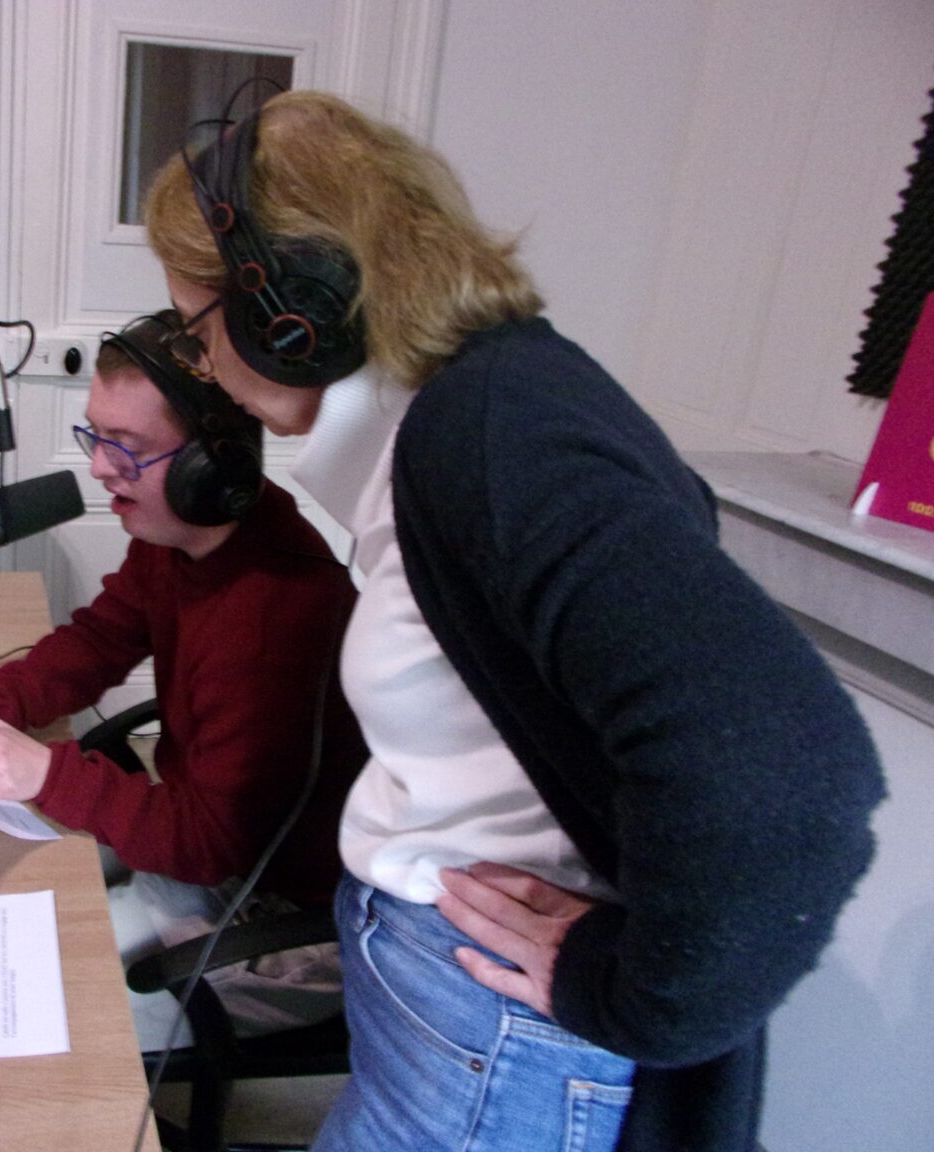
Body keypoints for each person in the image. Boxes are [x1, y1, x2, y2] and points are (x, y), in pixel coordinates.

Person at [144, 89, 885, 1152]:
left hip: (489, 1036)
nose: (204, 366)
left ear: (290, 308)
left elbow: (790, 772)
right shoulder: (463, 416)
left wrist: (637, 994)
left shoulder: (492, 434)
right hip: (453, 1018)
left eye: (198, 330)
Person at [0, 311, 367, 1050]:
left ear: (211, 467)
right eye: (96, 436)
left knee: (47, 1009)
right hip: (215, 853)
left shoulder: (272, 617)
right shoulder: (175, 537)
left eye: (128, 446)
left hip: (291, 915)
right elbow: (101, 638)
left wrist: (45, 771)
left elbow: (210, 841)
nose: (99, 467)